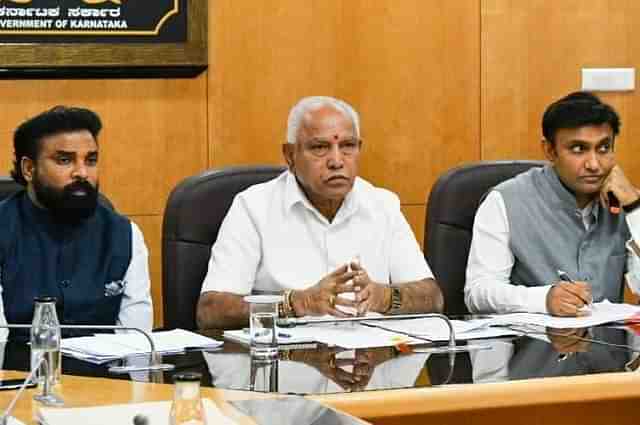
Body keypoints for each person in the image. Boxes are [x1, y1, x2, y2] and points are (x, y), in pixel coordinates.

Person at [197, 96, 443, 329]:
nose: (336, 160)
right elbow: (210, 311)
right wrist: (296, 303)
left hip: (369, 361)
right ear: (290, 155)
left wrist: (385, 297)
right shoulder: (253, 207)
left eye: (347, 146)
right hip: (287, 364)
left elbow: (432, 297)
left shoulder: (382, 205)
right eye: (320, 147)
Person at [465, 91, 640, 317]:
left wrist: (635, 209)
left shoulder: (624, 201)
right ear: (549, 150)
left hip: (608, 347)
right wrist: (543, 299)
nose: (594, 164)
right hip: (531, 345)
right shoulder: (505, 200)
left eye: (604, 148)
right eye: (579, 149)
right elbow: (477, 293)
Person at [0, 106, 153, 340]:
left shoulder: (125, 235)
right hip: (18, 374)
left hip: (103, 376)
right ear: (29, 169)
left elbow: (136, 342)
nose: (82, 173)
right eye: (65, 160)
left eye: (91, 160)